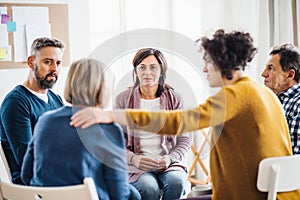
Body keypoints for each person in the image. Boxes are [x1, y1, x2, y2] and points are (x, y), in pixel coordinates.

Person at [71, 29, 300, 200]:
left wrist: (112, 115)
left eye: (207, 62)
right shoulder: (266, 93)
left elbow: (180, 122)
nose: (204, 69)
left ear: (221, 62)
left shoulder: (235, 95)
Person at [21, 58, 131, 200]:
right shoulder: (109, 129)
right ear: (104, 89)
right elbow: (119, 194)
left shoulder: (45, 121)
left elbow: (26, 175)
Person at [115, 48, 191, 200]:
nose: (147, 72)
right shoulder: (122, 99)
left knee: (177, 183)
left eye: (153, 67)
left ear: (162, 71)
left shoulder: (174, 98)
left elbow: (185, 139)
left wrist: (169, 158)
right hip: (136, 166)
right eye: (142, 67)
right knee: (149, 188)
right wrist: (133, 159)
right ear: (136, 71)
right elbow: (116, 142)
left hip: (169, 164)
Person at [0, 37, 64, 184]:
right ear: (31, 62)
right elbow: (28, 160)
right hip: (34, 185)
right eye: (47, 62)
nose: (54, 69)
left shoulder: (56, 100)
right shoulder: (16, 102)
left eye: (58, 63)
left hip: (58, 176)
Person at [261, 44, 300, 154]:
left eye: (271, 68)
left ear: (290, 75)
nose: (263, 74)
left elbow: (295, 160)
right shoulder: (272, 101)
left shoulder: (298, 104)